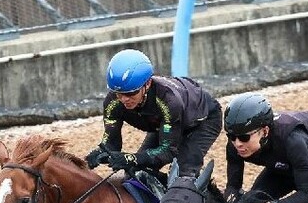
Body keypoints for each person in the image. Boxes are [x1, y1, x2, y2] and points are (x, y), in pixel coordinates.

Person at [84, 49, 222, 184]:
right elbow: (112, 143)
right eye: (119, 94)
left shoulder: (168, 101)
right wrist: (99, 154)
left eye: (131, 93)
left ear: (148, 84)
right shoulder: (113, 102)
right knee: (135, 172)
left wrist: (131, 158)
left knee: (183, 173)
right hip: (164, 123)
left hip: (203, 121)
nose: (124, 99)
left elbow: (167, 151)